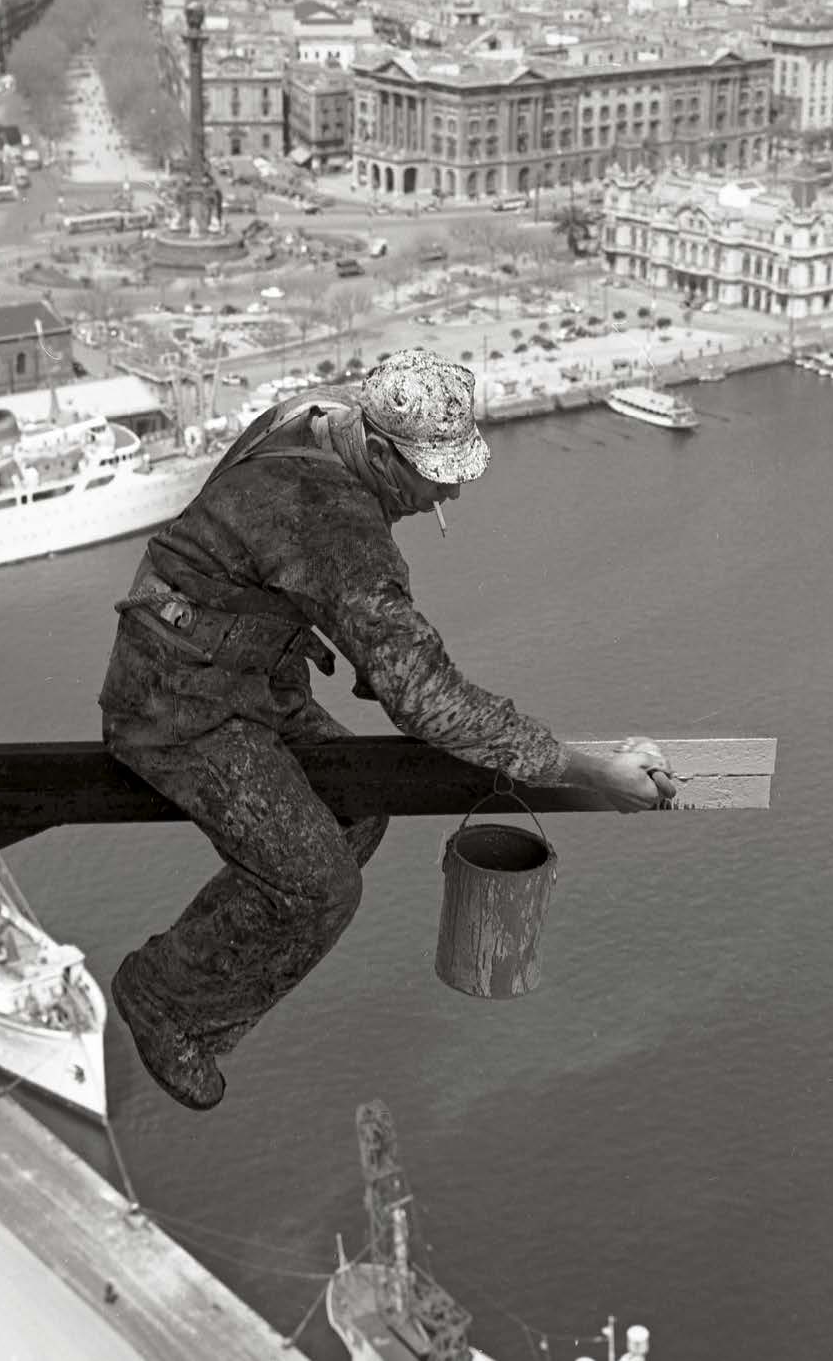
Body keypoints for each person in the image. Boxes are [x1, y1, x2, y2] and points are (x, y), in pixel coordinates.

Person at [98, 346, 669, 1111]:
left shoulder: (317, 419)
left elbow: (239, 552)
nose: (450, 495)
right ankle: (166, 997)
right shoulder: (336, 519)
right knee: (320, 890)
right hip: (178, 704)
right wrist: (589, 768)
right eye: (435, 477)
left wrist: (345, 634)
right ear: (379, 450)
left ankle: (211, 951)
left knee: (359, 806)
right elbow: (427, 698)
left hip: (238, 673)